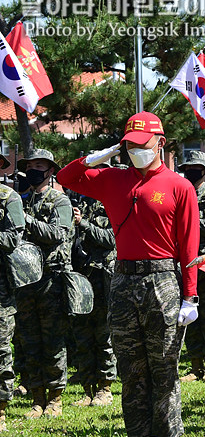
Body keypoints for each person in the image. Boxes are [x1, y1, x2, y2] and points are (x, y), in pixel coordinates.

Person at [57, 111, 200, 437]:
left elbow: (189, 247)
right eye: (129, 146)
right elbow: (66, 177)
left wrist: (190, 295)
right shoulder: (112, 180)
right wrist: (97, 157)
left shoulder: (178, 186)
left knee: (163, 367)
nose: (135, 152)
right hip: (123, 280)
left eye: (142, 145)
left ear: (161, 143)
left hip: (163, 280)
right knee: (131, 368)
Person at [16, 149, 73, 420]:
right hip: (25, 280)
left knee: (52, 341)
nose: (33, 170)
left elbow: (58, 234)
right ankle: (37, 398)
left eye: (39, 166)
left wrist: (27, 221)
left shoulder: (59, 201)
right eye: (30, 166)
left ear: (50, 171)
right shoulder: (23, 199)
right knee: (30, 340)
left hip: (50, 279)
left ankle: (55, 397)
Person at [70, 160, 117, 408]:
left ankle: (105, 388)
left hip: (103, 277)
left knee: (103, 333)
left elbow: (111, 238)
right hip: (81, 276)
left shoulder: (113, 200)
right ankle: (87, 387)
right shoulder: (79, 201)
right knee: (83, 333)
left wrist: (83, 224)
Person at [178, 151, 205, 383]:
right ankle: (195, 364)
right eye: (187, 169)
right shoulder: (179, 193)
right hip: (184, 264)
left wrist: (188, 218)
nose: (190, 172)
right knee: (188, 315)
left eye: (195, 168)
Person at [0, 151, 24, 431]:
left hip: (2, 287)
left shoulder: (9, 198)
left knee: (1, 350)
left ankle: (2, 410)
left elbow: (14, 237)